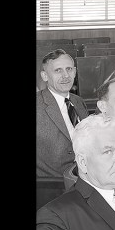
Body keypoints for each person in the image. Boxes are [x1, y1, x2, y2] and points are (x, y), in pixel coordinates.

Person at [37, 49, 89, 183]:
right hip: (52, 185)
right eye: (58, 70)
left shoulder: (78, 101)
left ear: (75, 71)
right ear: (45, 76)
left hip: (85, 177)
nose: (65, 75)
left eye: (69, 69)